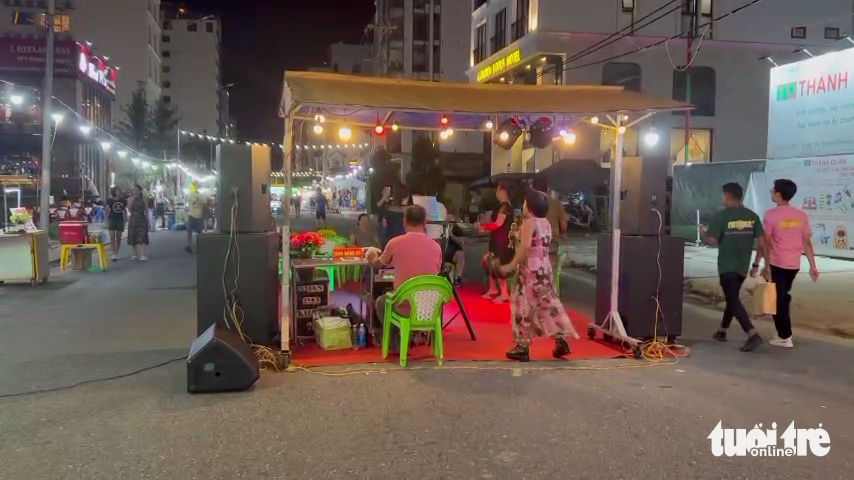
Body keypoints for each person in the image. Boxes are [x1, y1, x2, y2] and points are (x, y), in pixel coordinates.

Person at [496, 189, 579, 362]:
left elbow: (525, 247)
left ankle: (522, 346)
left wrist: (511, 265)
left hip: (530, 271)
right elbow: (536, 241)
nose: (523, 206)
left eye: (525, 203)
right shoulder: (545, 223)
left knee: (523, 305)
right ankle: (560, 339)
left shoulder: (529, 222)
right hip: (544, 268)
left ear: (531, 207)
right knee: (547, 305)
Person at [700, 182, 769, 352]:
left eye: (723, 195)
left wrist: (702, 233)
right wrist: (763, 264)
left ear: (727, 196)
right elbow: (762, 242)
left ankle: (752, 334)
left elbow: (712, 240)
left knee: (732, 299)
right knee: (733, 298)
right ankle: (722, 331)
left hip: (726, 266)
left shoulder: (722, 216)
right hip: (741, 267)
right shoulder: (752, 216)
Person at [752, 179, 819, 348]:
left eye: (772, 190)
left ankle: (784, 336)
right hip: (793, 265)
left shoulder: (770, 215)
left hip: (776, 263)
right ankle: (783, 331)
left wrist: (758, 263)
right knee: (781, 296)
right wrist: (813, 266)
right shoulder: (801, 215)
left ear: (779, 195)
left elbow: (764, 242)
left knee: (776, 300)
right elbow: (806, 242)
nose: (771, 193)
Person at [366, 205, 443, 330]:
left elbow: (378, 264)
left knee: (381, 302)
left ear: (404, 221)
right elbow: (435, 272)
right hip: (429, 306)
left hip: (404, 304)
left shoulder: (395, 242)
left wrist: (371, 255)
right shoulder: (436, 246)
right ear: (424, 222)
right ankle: (415, 335)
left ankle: (397, 341)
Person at [482, 181, 513, 303]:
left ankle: (504, 293)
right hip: (496, 237)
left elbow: (498, 224)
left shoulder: (505, 207)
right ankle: (493, 289)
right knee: (489, 261)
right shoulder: (501, 206)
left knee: (498, 264)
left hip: (502, 238)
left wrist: (484, 227)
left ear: (504, 191)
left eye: (498, 190)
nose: (496, 193)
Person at [126, 184, 150, 261]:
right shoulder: (130, 199)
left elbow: (146, 211)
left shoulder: (144, 199)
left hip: (142, 218)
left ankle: (142, 254)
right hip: (133, 218)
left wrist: (149, 222)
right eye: (134, 190)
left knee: (142, 236)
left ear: (140, 191)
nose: (135, 192)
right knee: (133, 237)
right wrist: (132, 200)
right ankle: (135, 254)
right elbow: (129, 209)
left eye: (137, 190)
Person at [106, 187, 128, 261]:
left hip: (120, 219)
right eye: (117, 190)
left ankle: (116, 253)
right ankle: (113, 254)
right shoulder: (110, 200)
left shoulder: (123, 201)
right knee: (112, 237)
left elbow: (124, 210)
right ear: (114, 192)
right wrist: (106, 220)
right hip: (112, 219)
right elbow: (106, 210)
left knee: (118, 237)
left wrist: (125, 219)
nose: (118, 192)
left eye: (119, 190)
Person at [443, 215, 466, 285]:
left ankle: (458, 279)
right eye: (447, 218)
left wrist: (451, 235)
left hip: (452, 253)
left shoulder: (457, 229)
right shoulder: (440, 227)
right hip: (441, 251)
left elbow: (462, 242)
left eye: (451, 219)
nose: (449, 220)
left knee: (461, 255)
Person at [185, 186, 206, 253]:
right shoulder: (202, 197)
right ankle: (199, 246)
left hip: (192, 215)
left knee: (189, 231)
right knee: (199, 232)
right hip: (199, 215)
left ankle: (189, 245)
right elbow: (205, 203)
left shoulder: (191, 196)